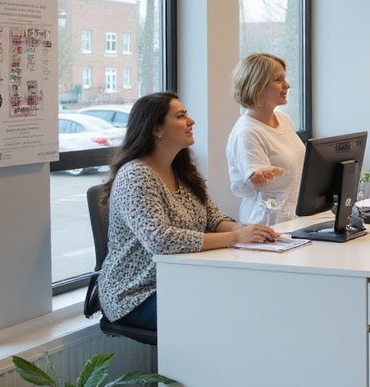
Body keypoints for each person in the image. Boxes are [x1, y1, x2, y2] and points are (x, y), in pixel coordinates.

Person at [98, 91, 277, 329]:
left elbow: (212, 218)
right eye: (181, 116)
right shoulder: (136, 175)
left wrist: (247, 230)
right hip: (136, 295)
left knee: (251, 297)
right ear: (156, 129)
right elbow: (160, 240)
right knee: (226, 315)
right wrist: (235, 238)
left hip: (181, 279)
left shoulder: (182, 170)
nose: (191, 121)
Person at [226, 53, 306, 224]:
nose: (287, 85)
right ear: (258, 86)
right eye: (278, 80)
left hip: (293, 218)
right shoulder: (247, 132)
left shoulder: (283, 119)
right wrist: (259, 175)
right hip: (267, 223)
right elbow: (257, 181)